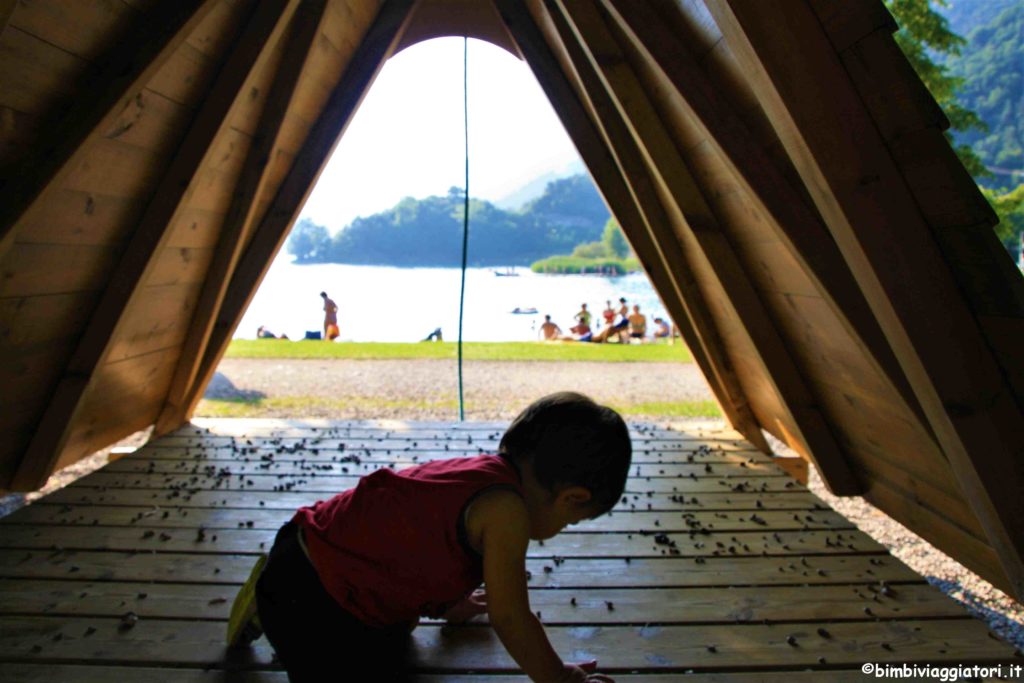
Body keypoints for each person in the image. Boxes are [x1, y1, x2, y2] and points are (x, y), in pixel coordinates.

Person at [227, 392, 630, 682]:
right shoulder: (508, 512)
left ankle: (271, 595)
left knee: (395, 641)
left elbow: (414, 539)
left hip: (306, 548)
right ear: (572, 497)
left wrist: (450, 603)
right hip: (312, 602)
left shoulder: (485, 475)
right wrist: (558, 677)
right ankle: (269, 604)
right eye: (573, 521)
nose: (562, 530)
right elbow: (511, 617)